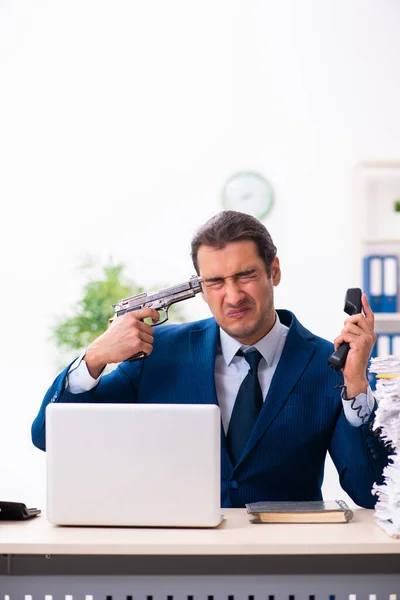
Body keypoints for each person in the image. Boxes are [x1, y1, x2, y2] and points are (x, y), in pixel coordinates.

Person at [32, 210, 389, 508]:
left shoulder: (330, 367)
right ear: (201, 288)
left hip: (283, 569)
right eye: (215, 281)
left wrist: (356, 385)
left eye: (245, 275)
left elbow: (371, 492)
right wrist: (95, 357)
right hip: (174, 568)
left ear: (274, 271)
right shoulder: (158, 353)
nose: (233, 296)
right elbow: (49, 436)